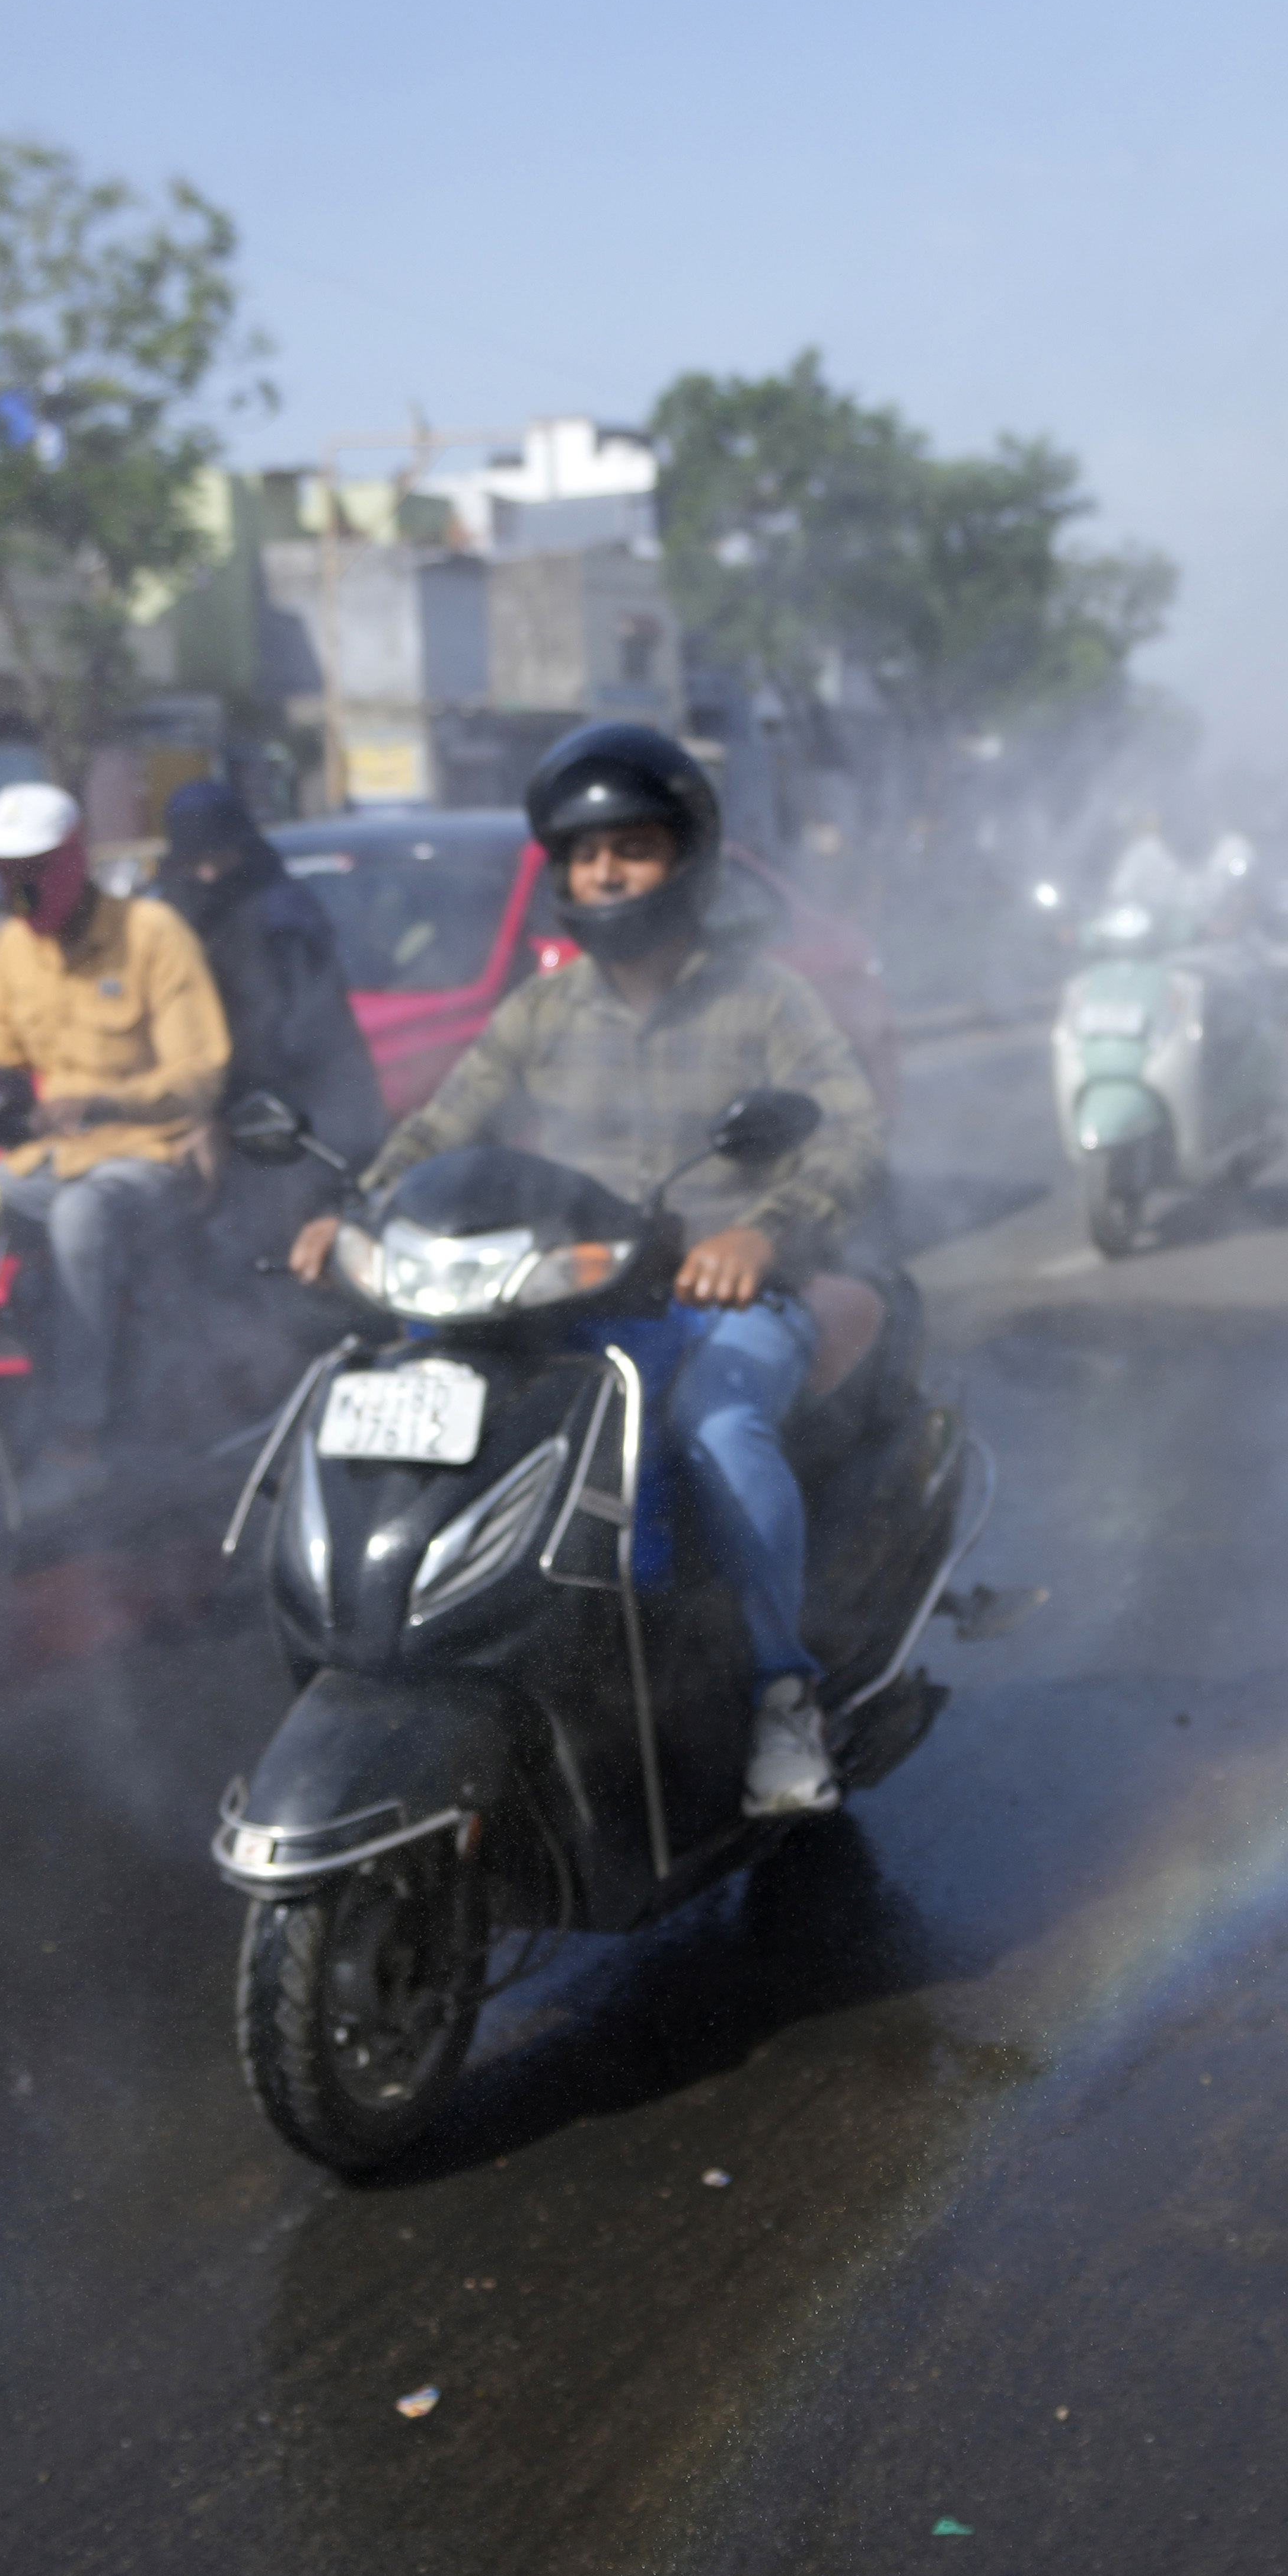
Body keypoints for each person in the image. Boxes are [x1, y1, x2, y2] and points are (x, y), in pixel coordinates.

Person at [289, 725, 883, 1817]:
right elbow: (442, 1127)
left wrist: (765, 1231)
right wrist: (359, 1210)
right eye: (581, 853)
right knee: (405, 1400)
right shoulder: (542, 1009)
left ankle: (779, 1693)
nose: (603, 872)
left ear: (685, 862)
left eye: (632, 848)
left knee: (716, 1427)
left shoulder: (764, 1000)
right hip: (562, 1288)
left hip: (727, 1298)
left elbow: (846, 1132)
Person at [0, 781, 231, 1509]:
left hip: (148, 1155)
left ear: (75, 858)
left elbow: (201, 1073)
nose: (18, 886)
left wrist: (106, 1103)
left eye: (34, 868)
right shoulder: (11, 949)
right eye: (4, 872)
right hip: (49, 1160)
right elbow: (2, 1067)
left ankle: (76, 1442)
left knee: (81, 1217)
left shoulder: (151, 934)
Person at [155, 778, 387, 1255]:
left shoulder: (283, 917)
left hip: (292, 1116)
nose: (207, 876)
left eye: (219, 857)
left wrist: (236, 1111)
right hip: (196, 1121)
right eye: (193, 862)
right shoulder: (167, 920)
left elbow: (305, 1033)